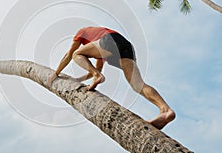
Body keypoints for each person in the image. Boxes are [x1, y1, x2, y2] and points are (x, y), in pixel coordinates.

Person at [47, 26, 175, 129]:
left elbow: (70, 54)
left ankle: (165, 110)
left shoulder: (82, 32)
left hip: (111, 40)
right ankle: (165, 110)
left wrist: (56, 73)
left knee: (76, 53)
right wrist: (80, 80)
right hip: (126, 47)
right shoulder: (98, 49)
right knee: (138, 85)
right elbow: (96, 71)